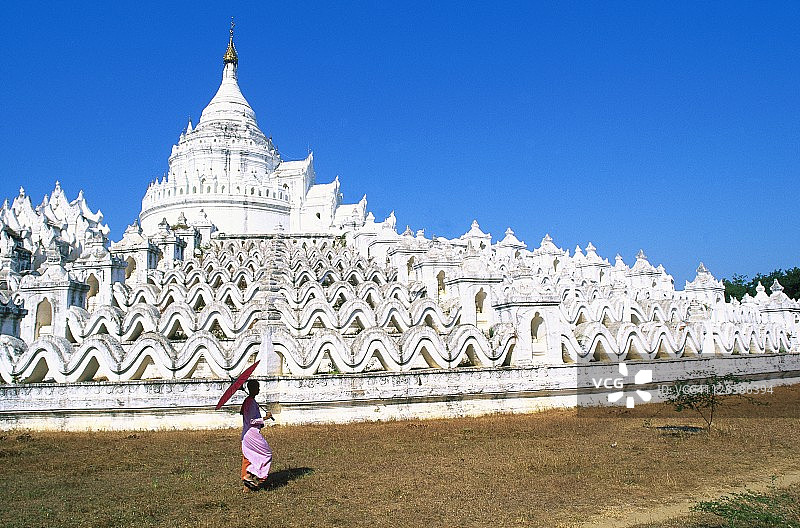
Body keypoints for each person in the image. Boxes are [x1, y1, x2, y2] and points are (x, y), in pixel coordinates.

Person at [240, 380, 273, 490]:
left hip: (249, 433)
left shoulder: (249, 401)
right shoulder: (249, 402)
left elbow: (245, 414)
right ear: (252, 389)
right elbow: (251, 420)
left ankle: (248, 484)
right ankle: (254, 476)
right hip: (251, 433)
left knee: (250, 457)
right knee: (266, 454)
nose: (259, 389)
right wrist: (265, 418)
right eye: (257, 387)